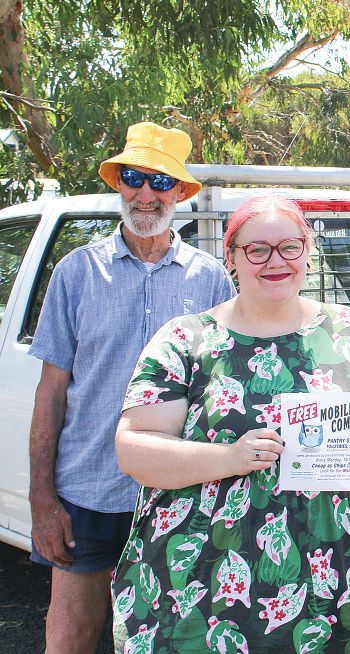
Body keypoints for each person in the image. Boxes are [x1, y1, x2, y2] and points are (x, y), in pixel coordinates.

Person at [111, 195, 350, 652]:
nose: (276, 261)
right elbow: (135, 449)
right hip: (204, 589)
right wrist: (229, 457)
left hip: (331, 588)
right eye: (257, 250)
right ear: (231, 257)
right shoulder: (186, 340)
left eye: (290, 247)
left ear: (307, 252)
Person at [27, 122, 236, 653]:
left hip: (181, 492)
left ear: (182, 193)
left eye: (160, 182)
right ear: (119, 183)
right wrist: (42, 501)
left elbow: (235, 382)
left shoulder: (211, 279)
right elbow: (50, 393)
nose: (146, 194)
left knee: (175, 636)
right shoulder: (77, 273)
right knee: (70, 634)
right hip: (89, 493)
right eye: (134, 177)